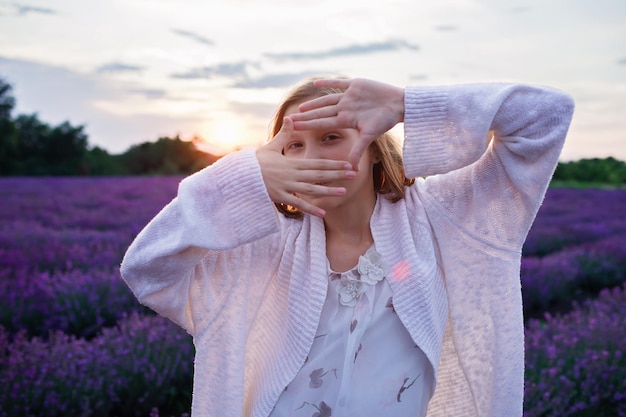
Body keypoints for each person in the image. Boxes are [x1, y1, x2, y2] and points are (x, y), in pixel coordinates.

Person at [120, 76, 574, 417]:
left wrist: (403, 104)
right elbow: (147, 270)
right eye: (293, 145)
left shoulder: (450, 219)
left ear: (375, 148)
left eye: (332, 137)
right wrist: (241, 178)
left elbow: (545, 117)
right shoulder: (258, 248)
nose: (311, 157)